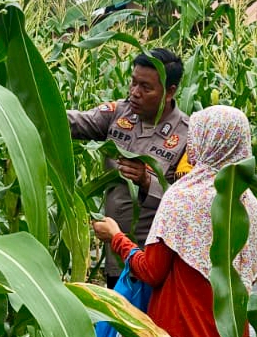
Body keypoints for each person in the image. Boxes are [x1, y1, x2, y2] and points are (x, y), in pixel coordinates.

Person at [92, 105, 257, 337]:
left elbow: (151, 271)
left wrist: (116, 238)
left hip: (181, 336)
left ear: (206, 140)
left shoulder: (184, 198)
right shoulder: (248, 203)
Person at [68, 48, 190, 287]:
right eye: (133, 82)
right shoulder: (119, 113)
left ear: (170, 92)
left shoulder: (187, 136)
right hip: (115, 255)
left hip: (152, 261)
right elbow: (74, 122)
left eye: (145, 87)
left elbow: (187, 202)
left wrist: (146, 181)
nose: (134, 92)